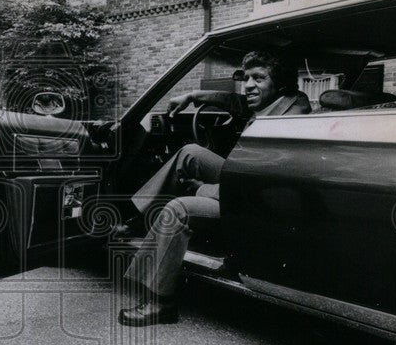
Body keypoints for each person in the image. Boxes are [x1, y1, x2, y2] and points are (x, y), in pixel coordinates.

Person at [118, 50, 311, 327]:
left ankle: (160, 303)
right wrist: (194, 96)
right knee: (190, 153)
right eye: (246, 78)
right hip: (243, 180)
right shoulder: (280, 102)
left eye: (259, 78)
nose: (248, 85)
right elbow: (236, 101)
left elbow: (255, 188)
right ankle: (136, 218)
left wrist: (202, 189)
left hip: (255, 202)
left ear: (279, 84)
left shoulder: (286, 123)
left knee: (178, 209)